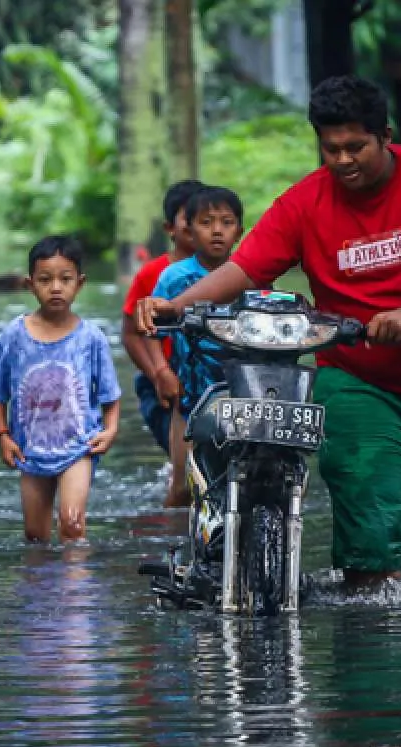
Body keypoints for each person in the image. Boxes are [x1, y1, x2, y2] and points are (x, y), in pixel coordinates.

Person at [137, 75, 401, 592]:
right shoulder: (305, 203)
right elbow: (245, 269)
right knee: (367, 520)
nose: (344, 160)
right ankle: (373, 633)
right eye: (331, 149)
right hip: (358, 379)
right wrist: (174, 305)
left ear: (386, 136)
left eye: (356, 147)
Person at [0, 235, 122, 544]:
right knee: (35, 535)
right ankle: (40, 590)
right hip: (30, 447)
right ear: (29, 284)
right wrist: (3, 437)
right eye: (45, 280)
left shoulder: (91, 338)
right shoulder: (14, 335)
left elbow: (109, 392)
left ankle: (75, 590)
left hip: (79, 446)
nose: (55, 288)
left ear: (79, 284)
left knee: (72, 525)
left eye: (65, 279)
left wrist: (110, 430)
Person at [151, 184, 244, 507]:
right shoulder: (174, 278)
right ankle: (174, 549)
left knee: (241, 482)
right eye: (206, 222)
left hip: (241, 394)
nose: (217, 231)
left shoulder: (252, 276)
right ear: (188, 230)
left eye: (226, 222)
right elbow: (151, 331)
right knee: (182, 489)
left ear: (240, 231)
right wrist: (162, 371)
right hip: (189, 399)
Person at [120, 179, 203, 457]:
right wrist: (157, 374)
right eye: (188, 219)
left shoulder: (231, 274)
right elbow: (131, 333)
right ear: (170, 228)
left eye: (204, 218)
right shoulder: (152, 274)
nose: (197, 226)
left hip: (210, 376)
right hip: (165, 380)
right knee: (185, 460)